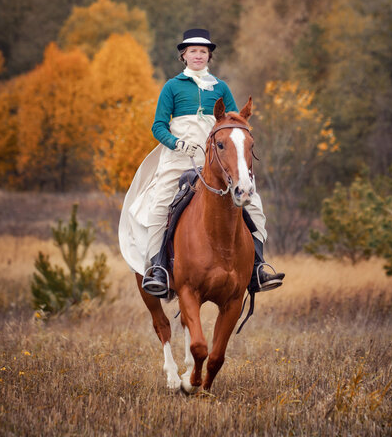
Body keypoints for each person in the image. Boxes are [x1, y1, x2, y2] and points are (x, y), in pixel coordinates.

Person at [119, 28, 284, 298]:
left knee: (253, 202)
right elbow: (158, 126)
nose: (198, 55)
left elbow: (233, 122)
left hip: (218, 159)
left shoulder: (220, 87)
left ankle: (258, 267)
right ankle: (158, 268)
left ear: (209, 56)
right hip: (179, 158)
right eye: (193, 51)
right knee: (160, 203)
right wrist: (176, 143)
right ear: (184, 55)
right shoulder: (172, 86)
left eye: (203, 52)